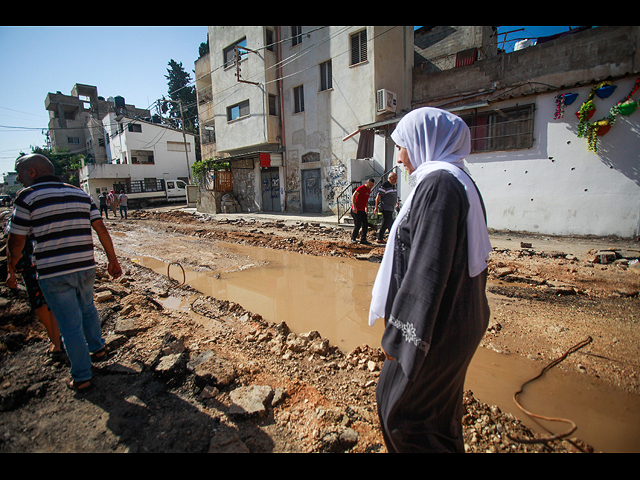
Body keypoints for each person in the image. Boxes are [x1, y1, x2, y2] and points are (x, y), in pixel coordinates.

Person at [368, 107, 492, 453]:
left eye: (403, 146)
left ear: (425, 141)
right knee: (433, 419)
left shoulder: (439, 185)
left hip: (439, 325)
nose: (400, 157)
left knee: (403, 417)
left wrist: (401, 342)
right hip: (455, 318)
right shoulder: (454, 179)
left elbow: (428, 268)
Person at [6, 154, 122, 393]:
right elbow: (100, 228)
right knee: (88, 307)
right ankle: (98, 348)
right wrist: (112, 260)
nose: (18, 178)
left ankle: (81, 375)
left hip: (54, 271)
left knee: (69, 324)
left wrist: (11, 267)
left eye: (20, 172)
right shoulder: (80, 194)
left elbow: (16, 241)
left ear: (33, 172)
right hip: (85, 266)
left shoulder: (27, 197)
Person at [373, 171, 398, 244]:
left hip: (391, 207)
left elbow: (393, 196)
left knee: (388, 222)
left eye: (396, 179)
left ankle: (390, 237)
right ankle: (382, 237)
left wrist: (395, 203)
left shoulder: (393, 185)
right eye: (394, 179)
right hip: (386, 207)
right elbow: (378, 197)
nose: (395, 181)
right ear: (390, 178)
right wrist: (376, 207)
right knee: (388, 221)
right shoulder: (385, 185)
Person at [350, 178, 374, 245]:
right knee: (358, 224)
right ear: (367, 183)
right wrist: (354, 206)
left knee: (365, 224)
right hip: (356, 209)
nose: (371, 187)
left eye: (372, 185)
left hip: (362, 209)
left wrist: (366, 207)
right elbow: (353, 196)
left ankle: (363, 239)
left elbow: (365, 200)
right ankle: (353, 238)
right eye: (370, 185)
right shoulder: (361, 188)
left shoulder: (369, 190)